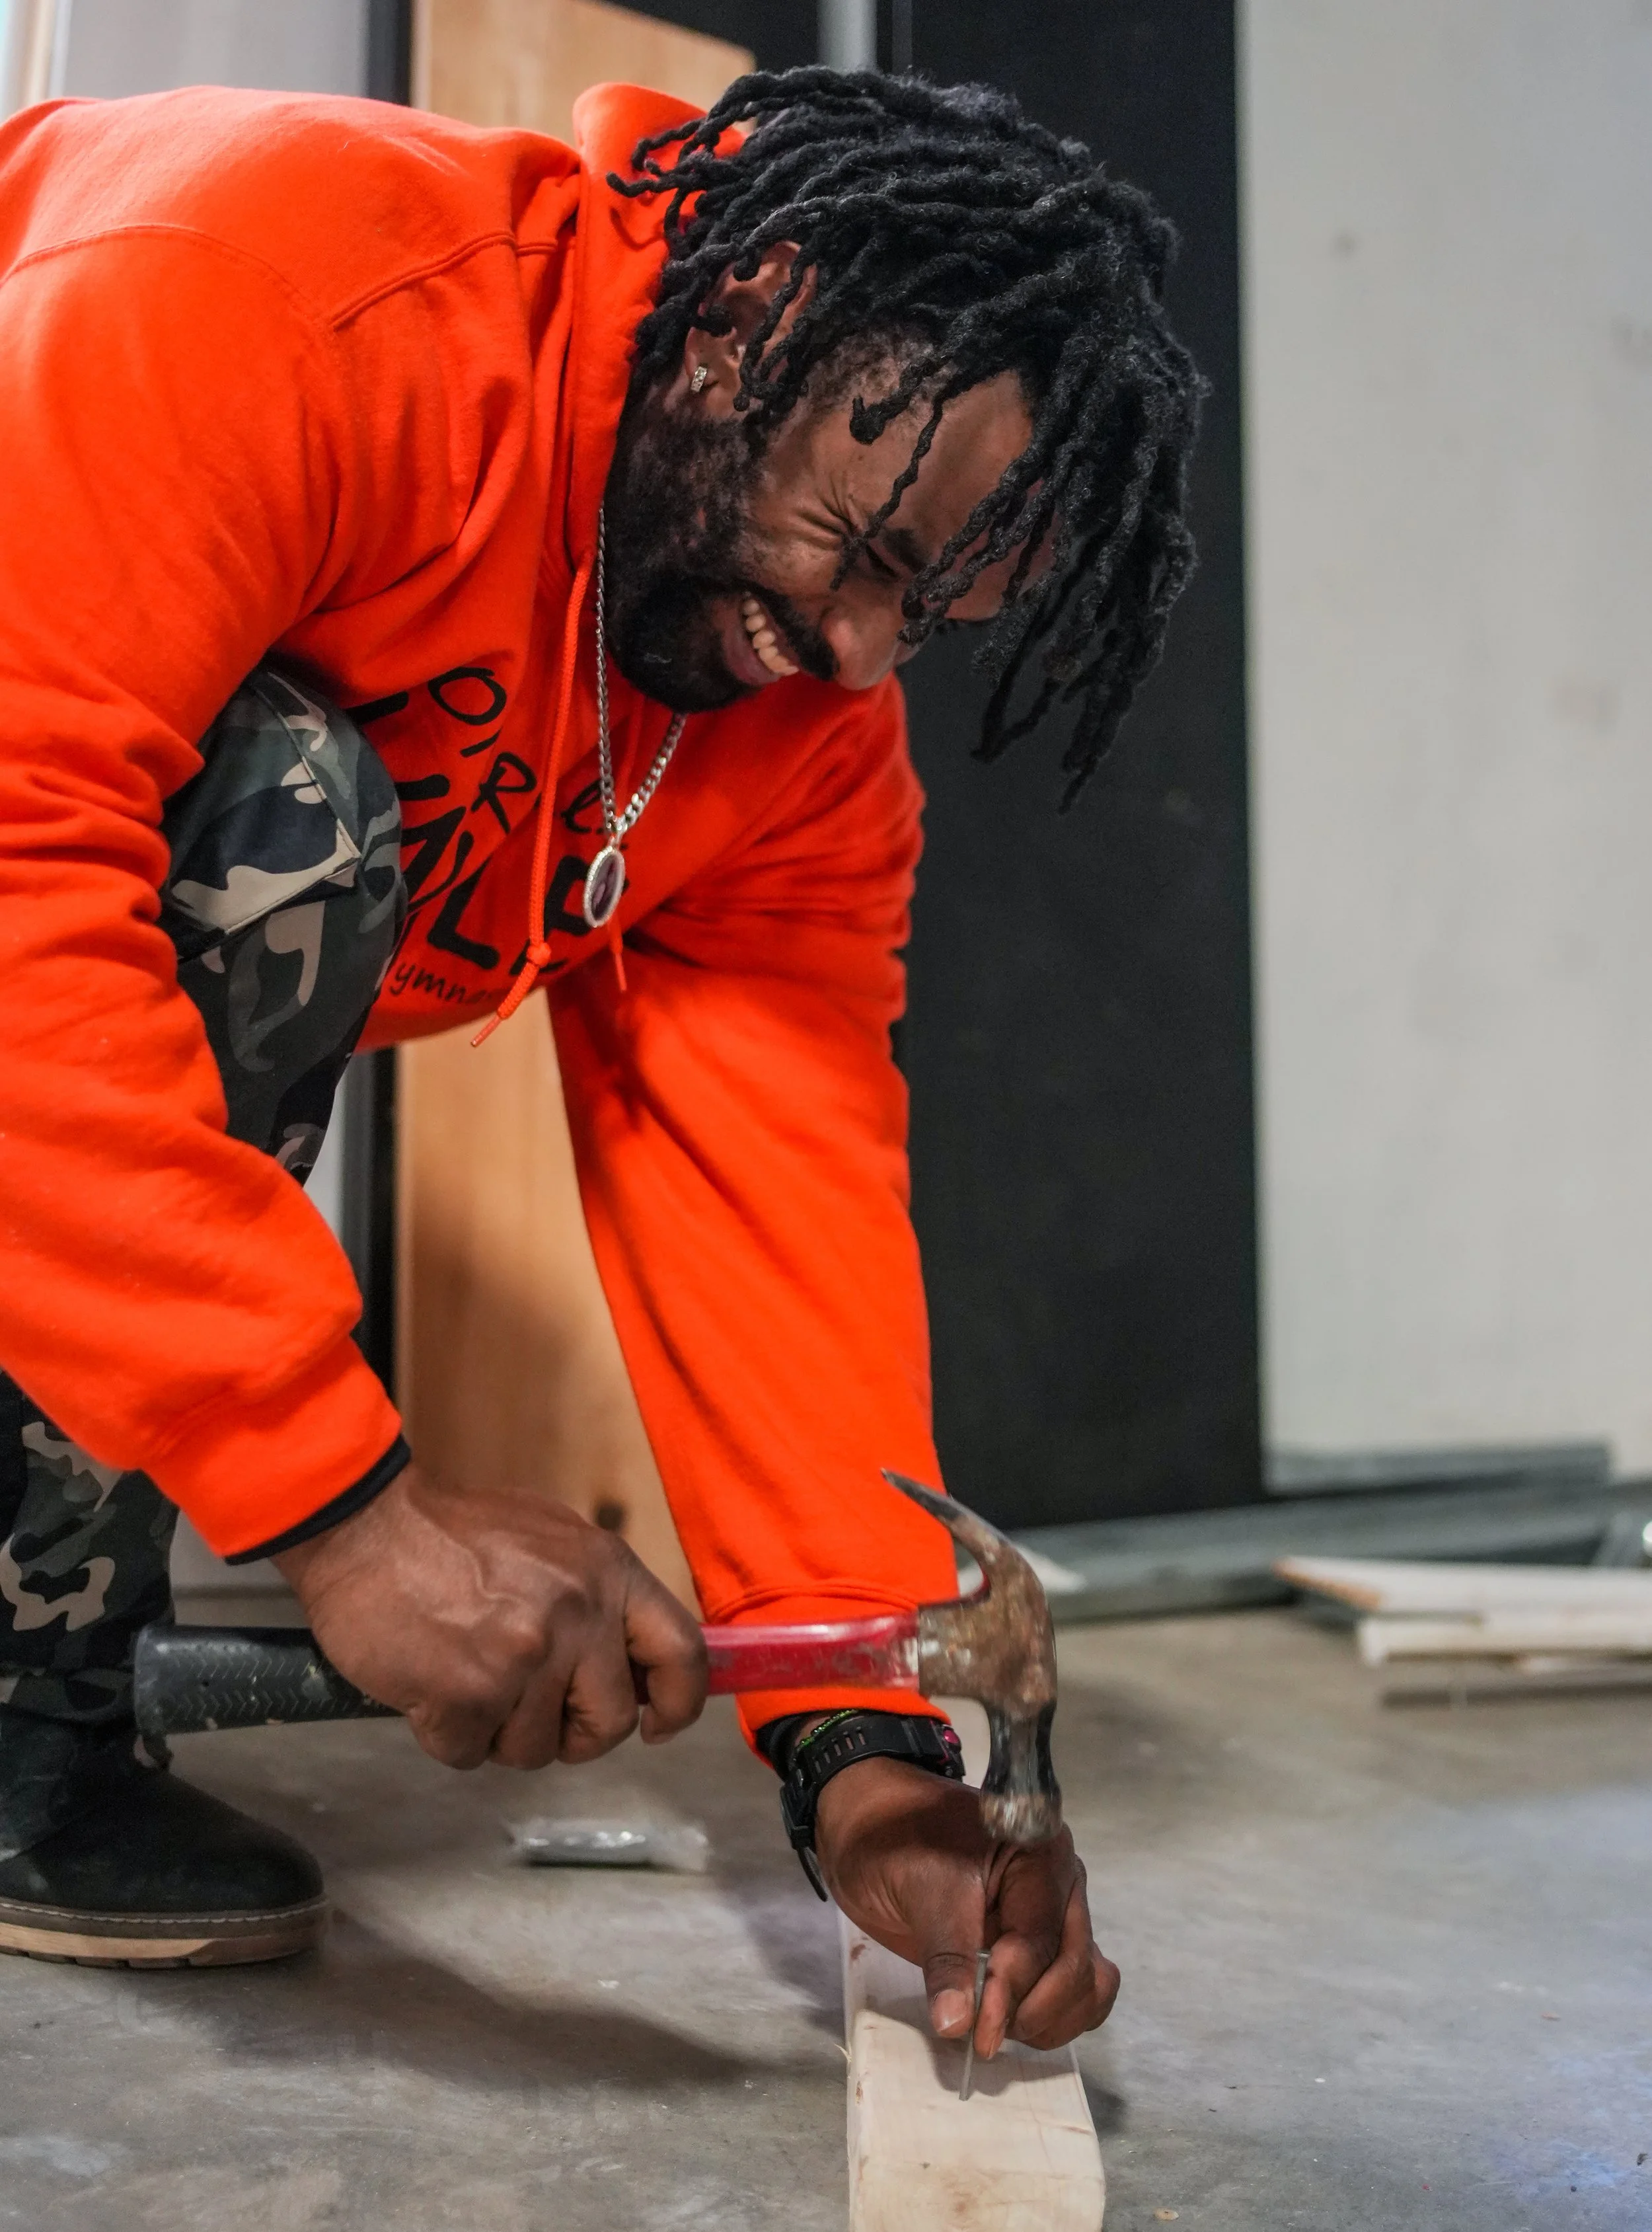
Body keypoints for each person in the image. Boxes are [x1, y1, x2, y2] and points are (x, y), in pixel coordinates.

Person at [0, 67, 1201, 2059]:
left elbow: (767, 1180)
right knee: (279, 819)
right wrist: (345, 1511)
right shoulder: (287, 288)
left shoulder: (798, 737)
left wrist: (863, 1747)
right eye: (860, 539)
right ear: (750, 319)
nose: (849, 649)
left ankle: (30, 1713)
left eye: (930, 612)